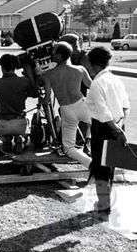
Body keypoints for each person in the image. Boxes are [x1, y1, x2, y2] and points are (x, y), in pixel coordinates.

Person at [86, 46, 130, 219]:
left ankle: (104, 206)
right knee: (109, 166)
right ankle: (105, 203)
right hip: (117, 125)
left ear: (91, 63)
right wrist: (120, 125)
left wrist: (116, 128)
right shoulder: (115, 80)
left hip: (104, 128)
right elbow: (126, 106)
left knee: (100, 167)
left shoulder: (97, 83)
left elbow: (104, 113)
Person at [42, 41, 92, 168]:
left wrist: (40, 100)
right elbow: (94, 88)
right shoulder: (80, 69)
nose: (52, 55)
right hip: (82, 105)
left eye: (54, 53)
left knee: (69, 148)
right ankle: (89, 139)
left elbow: (47, 100)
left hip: (66, 109)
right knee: (100, 123)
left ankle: (91, 165)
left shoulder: (49, 74)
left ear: (59, 56)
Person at [0, 54, 38, 153]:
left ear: (2, 67)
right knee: (27, 134)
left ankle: (5, 139)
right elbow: (35, 94)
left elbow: (8, 94)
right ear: (15, 67)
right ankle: (21, 138)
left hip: (3, 124)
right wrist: (30, 76)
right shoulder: (24, 81)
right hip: (19, 123)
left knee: (3, 135)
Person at [59, 33, 94, 153]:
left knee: (87, 115)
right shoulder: (68, 58)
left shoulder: (85, 58)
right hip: (71, 94)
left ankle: (86, 141)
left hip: (83, 93)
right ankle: (79, 140)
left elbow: (91, 80)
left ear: (73, 46)